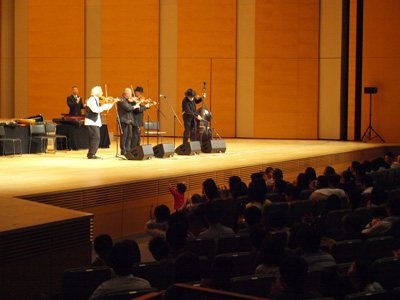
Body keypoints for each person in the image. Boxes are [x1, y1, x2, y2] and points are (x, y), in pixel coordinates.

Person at [85, 86, 114, 159]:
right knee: (96, 137)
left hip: (95, 122)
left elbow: (103, 107)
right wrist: (104, 107)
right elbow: (95, 109)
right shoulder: (91, 99)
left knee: (95, 137)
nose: (102, 92)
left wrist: (111, 103)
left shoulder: (97, 99)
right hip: (91, 121)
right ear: (96, 92)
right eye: (100, 91)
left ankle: (91, 153)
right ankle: (91, 154)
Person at [117, 88, 139, 156]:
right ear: (126, 94)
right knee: (124, 136)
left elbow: (130, 107)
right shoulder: (122, 100)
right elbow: (128, 108)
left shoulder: (127, 100)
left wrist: (135, 102)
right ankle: (123, 151)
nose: (131, 95)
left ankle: (128, 150)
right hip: (123, 120)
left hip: (128, 120)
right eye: (130, 94)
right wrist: (135, 106)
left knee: (129, 136)